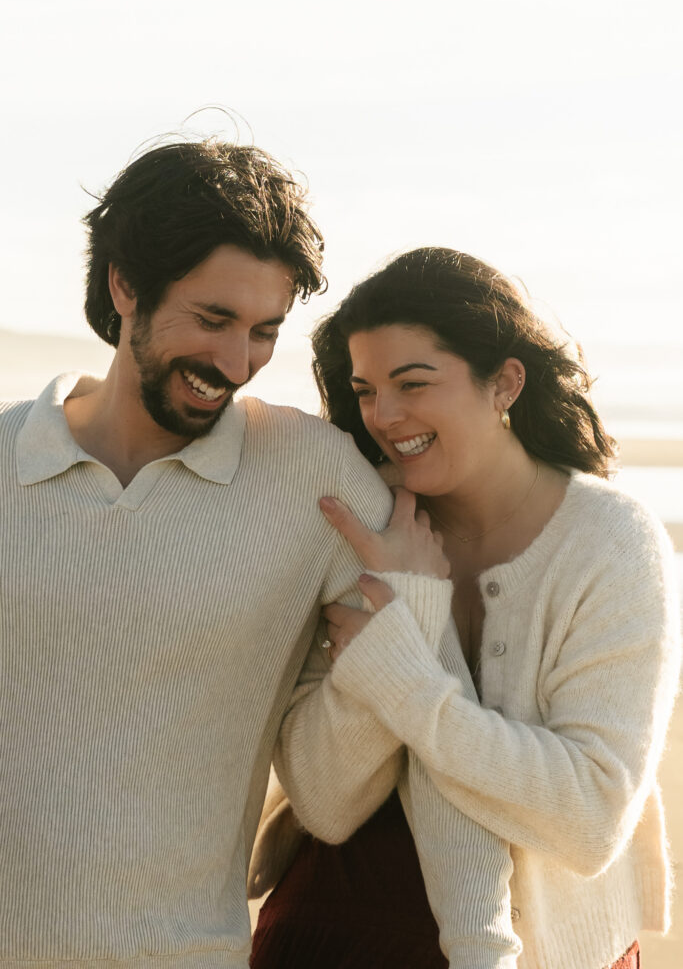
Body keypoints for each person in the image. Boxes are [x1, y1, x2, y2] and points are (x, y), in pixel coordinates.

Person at [0, 154, 520, 969]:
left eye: (264, 331)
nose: (237, 364)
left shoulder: (314, 483)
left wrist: (484, 954)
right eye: (212, 319)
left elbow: (396, 763)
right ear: (125, 287)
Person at [251, 247, 681, 969]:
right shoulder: (360, 527)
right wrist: (411, 605)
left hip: (552, 944)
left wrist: (404, 677)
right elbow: (324, 802)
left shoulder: (610, 543)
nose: (384, 417)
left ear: (504, 383)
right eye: (363, 391)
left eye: (411, 383)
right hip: (337, 929)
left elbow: (587, 817)